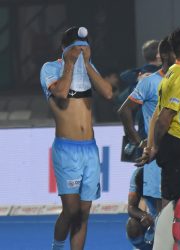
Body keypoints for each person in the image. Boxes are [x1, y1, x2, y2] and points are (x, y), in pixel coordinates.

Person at [40, 26, 112, 250]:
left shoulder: (89, 68)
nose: (80, 52)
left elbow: (108, 93)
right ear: (64, 47)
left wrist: (87, 64)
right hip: (66, 149)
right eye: (75, 48)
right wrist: (70, 64)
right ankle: (58, 247)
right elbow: (60, 93)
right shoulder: (50, 68)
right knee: (71, 210)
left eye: (84, 48)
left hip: (89, 149)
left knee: (83, 213)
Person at [141, 29, 180, 249]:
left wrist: (155, 147)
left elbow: (158, 115)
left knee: (173, 207)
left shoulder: (171, 74)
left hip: (176, 147)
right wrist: (156, 148)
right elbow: (165, 117)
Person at [118, 36, 176, 206]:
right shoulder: (149, 81)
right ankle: (146, 227)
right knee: (159, 208)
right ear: (163, 55)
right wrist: (138, 141)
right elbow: (124, 109)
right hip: (155, 150)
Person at [119, 39, 162, 140]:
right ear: (158, 56)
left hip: (142, 130)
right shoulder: (152, 77)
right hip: (153, 131)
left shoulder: (139, 75)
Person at [126, 167, 157, 250]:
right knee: (133, 225)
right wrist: (144, 215)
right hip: (154, 218)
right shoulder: (137, 174)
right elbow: (131, 207)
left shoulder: (164, 175)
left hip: (173, 215)